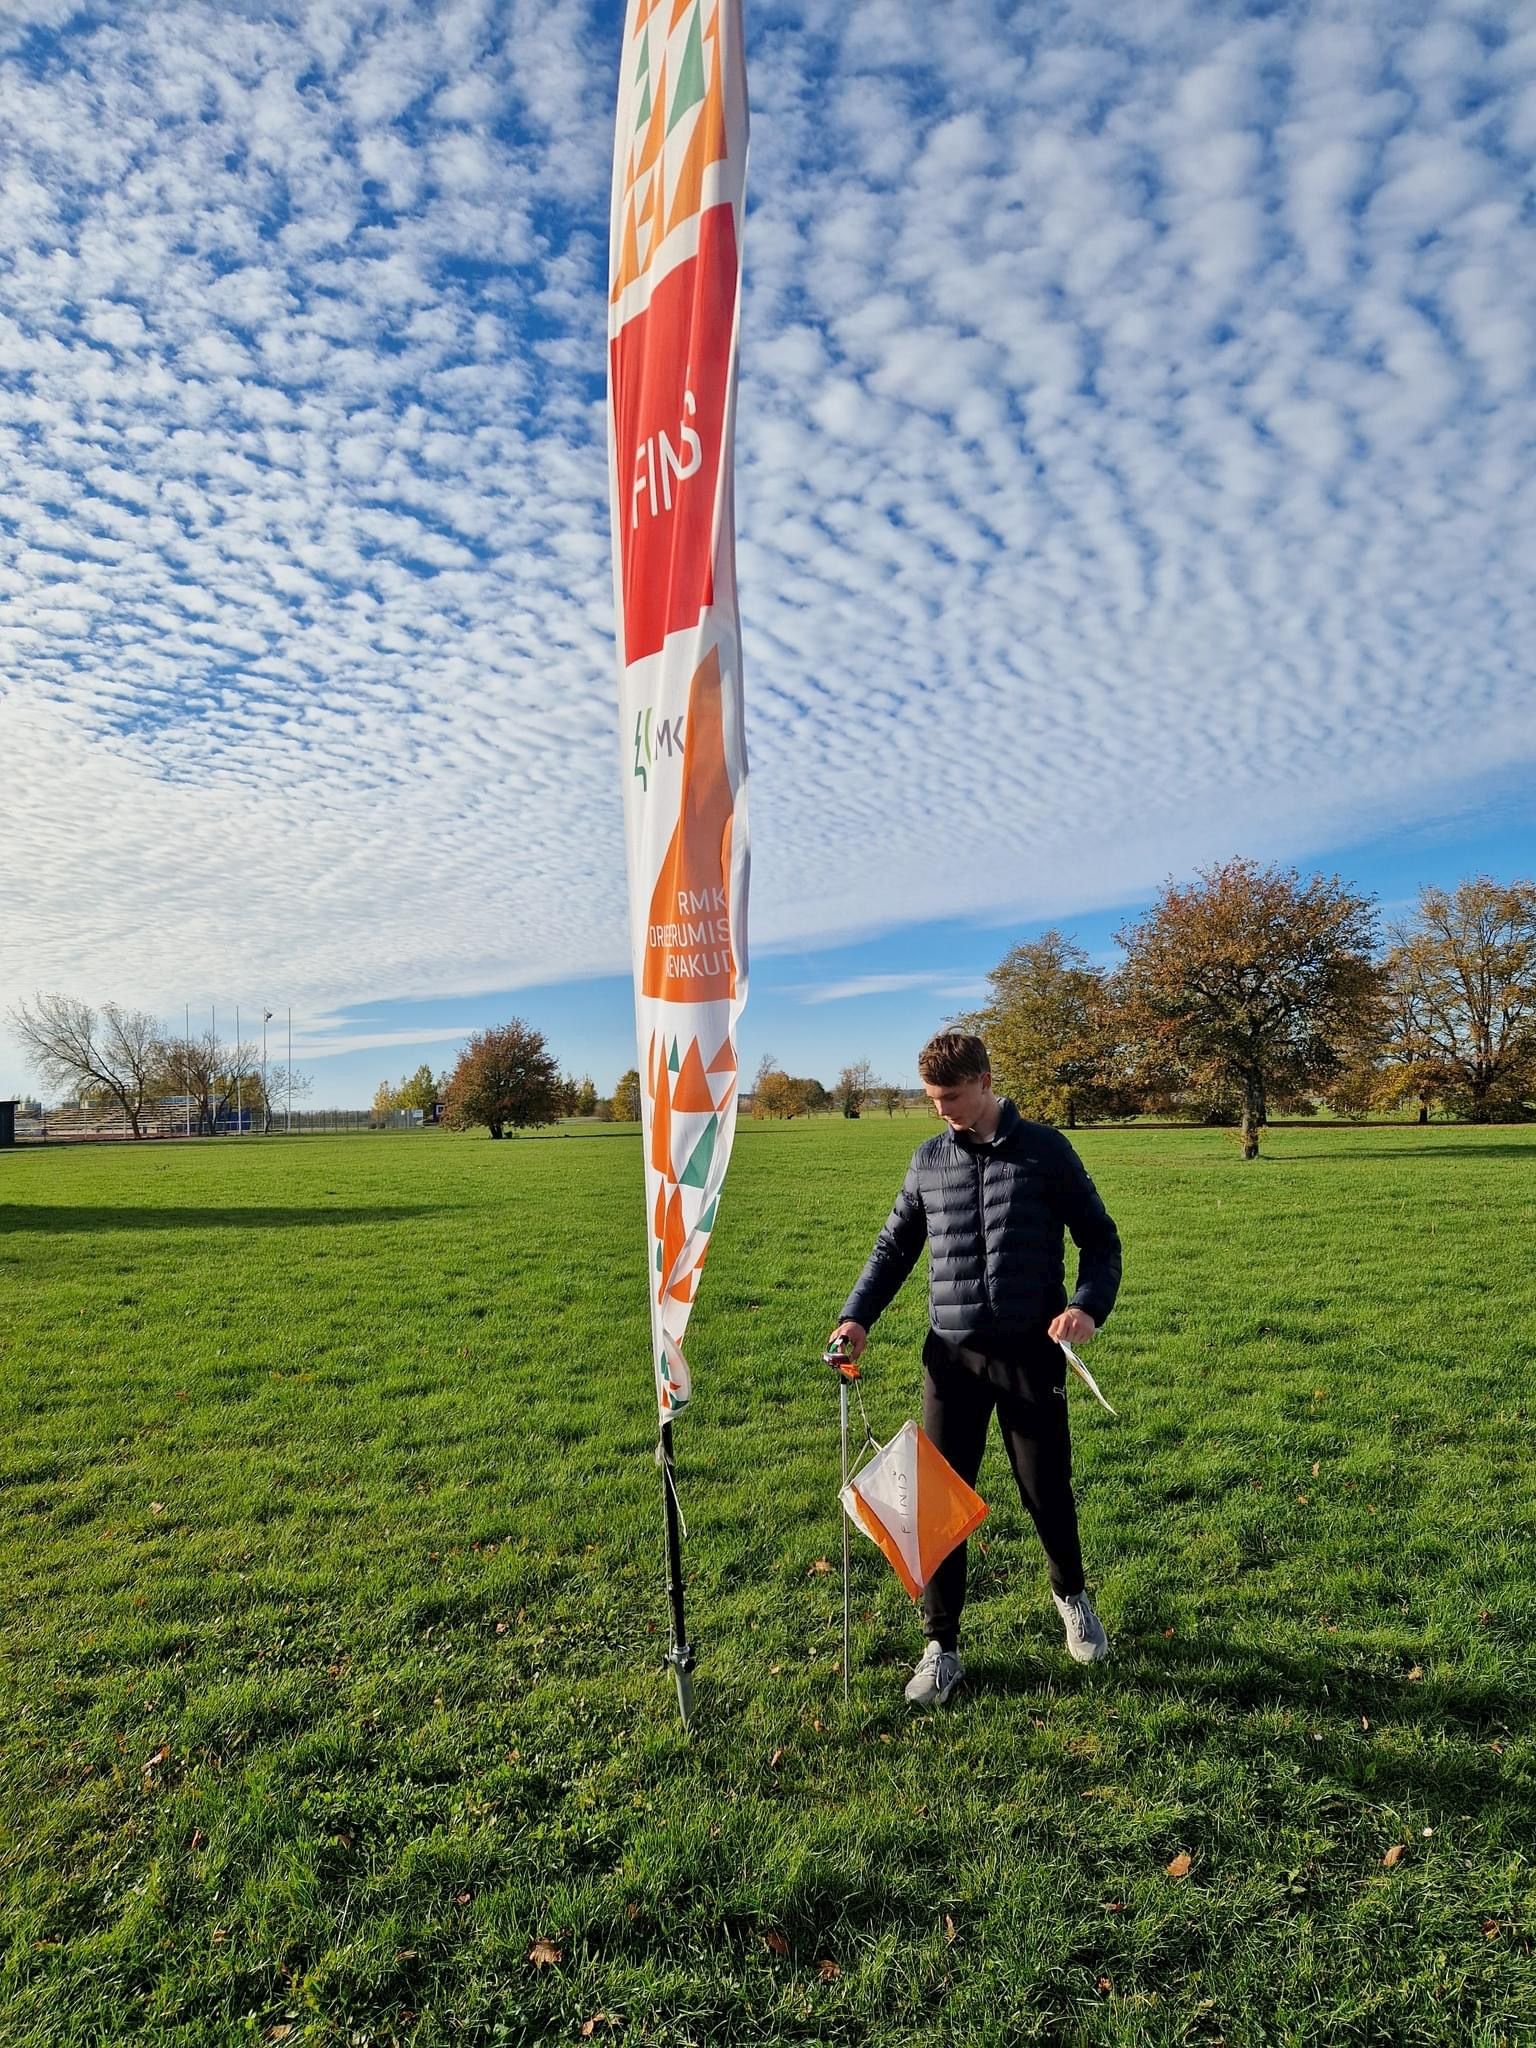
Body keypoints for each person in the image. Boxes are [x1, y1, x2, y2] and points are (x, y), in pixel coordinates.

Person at [828, 1030, 1122, 1706]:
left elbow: (1100, 1240)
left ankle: (1072, 1597)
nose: (941, 1111)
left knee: (1046, 1488)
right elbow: (893, 1247)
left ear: (987, 1082)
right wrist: (856, 1318)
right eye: (933, 1099)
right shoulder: (928, 1160)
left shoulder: (1046, 1151)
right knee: (936, 1505)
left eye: (951, 1097)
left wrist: (1085, 1307)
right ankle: (941, 1646)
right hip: (950, 1359)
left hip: (1029, 1354)